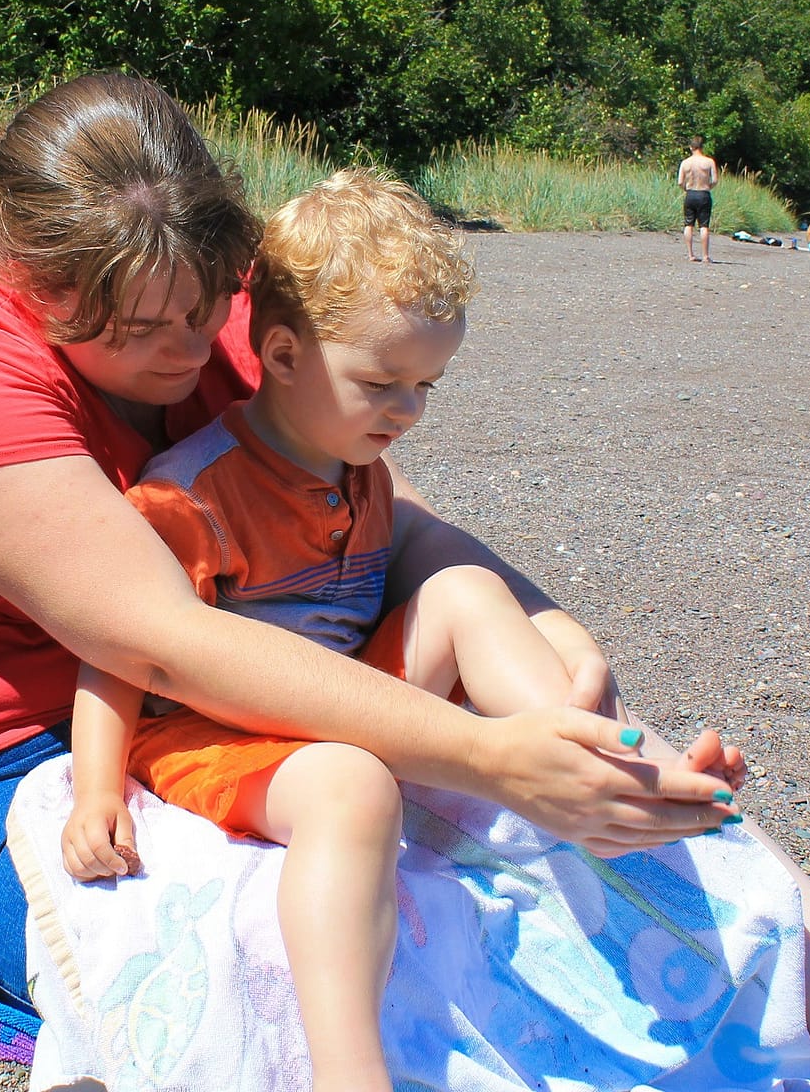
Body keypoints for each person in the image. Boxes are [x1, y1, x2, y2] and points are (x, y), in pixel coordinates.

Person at [0, 70, 810, 1092]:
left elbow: (393, 521)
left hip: (225, 703)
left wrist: (546, 636)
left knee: (571, 746)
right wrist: (488, 759)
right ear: (23, 267)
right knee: (333, 916)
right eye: (127, 326)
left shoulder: (206, 309)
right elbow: (154, 637)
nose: (178, 351)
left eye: (199, 305)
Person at [60, 169, 653, 1090]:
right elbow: (121, 649)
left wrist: (565, 641)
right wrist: (96, 791)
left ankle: (596, 764)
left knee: (462, 589)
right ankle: (349, 1072)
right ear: (284, 354)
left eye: (426, 385)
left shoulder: (354, 465)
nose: (407, 411)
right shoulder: (190, 493)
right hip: (221, 735)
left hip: (337, 695)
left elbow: (413, 612)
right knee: (353, 784)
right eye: (383, 382)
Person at [677, 135, 718, 263]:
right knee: (704, 225)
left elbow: (680, 182)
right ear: (702, 147)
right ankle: (705, 256)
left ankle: (690, 254)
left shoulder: (685, 163)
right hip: (703, 193)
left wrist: (686, 188)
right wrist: (708, 187)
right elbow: (715, 180)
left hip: (690, 193)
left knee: (689, 224)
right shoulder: (709, 162)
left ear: (691, 147)